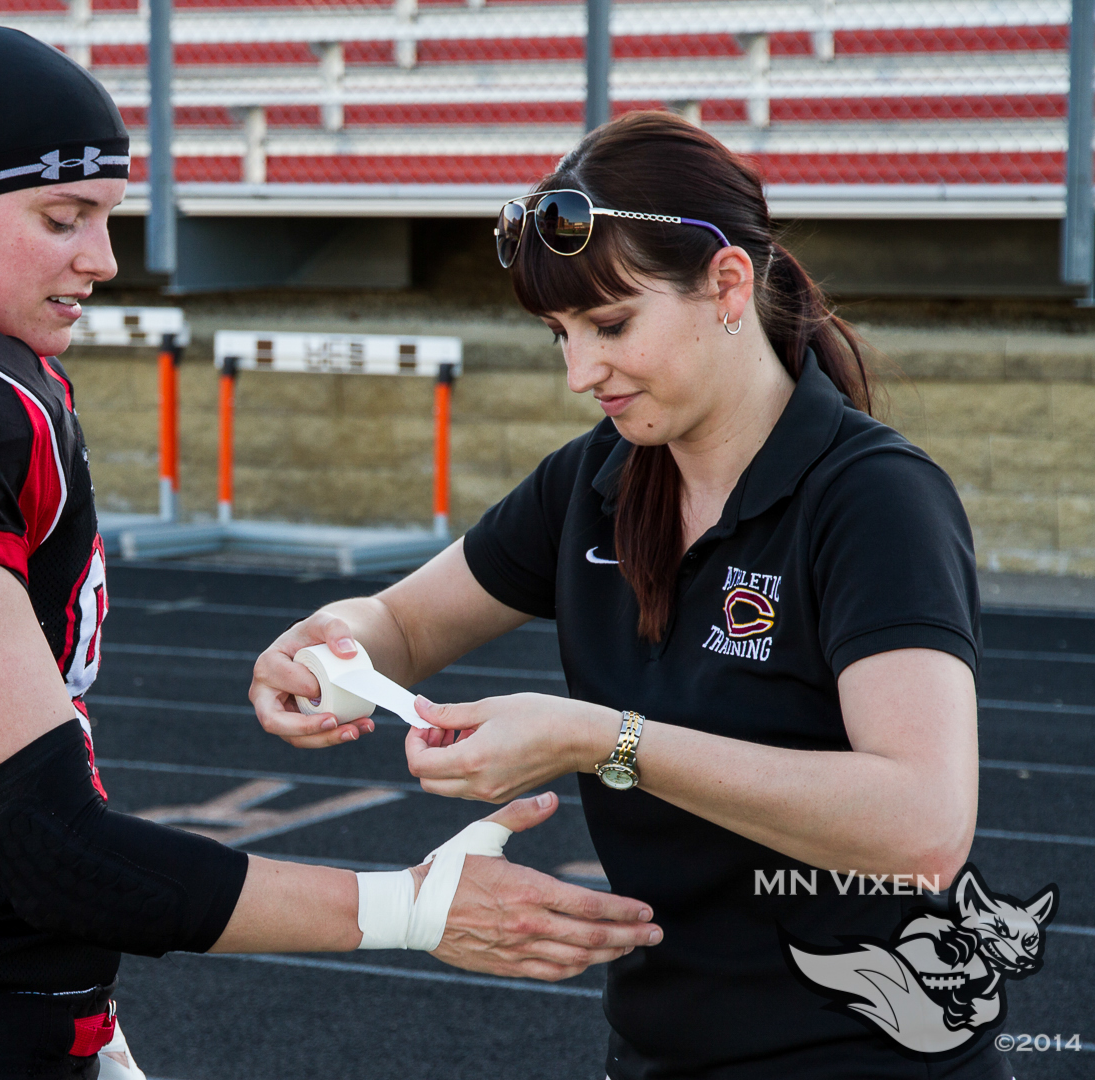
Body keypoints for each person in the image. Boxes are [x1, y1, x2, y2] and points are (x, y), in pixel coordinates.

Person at [0, 28, 662, 1080]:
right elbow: (53, 850)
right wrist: (413, 909)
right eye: (61, 219)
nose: (102, 259)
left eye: (105, 219)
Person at [250, 111, 1002, 1079]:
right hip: (656, 1052)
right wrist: (328, 648)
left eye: (609, 325)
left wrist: (602, 741)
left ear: (728, 284)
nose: (579, 373)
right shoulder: (597, 478)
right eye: (560, 334)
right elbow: (402, 621)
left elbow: (924, 826)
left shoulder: (874, 498)